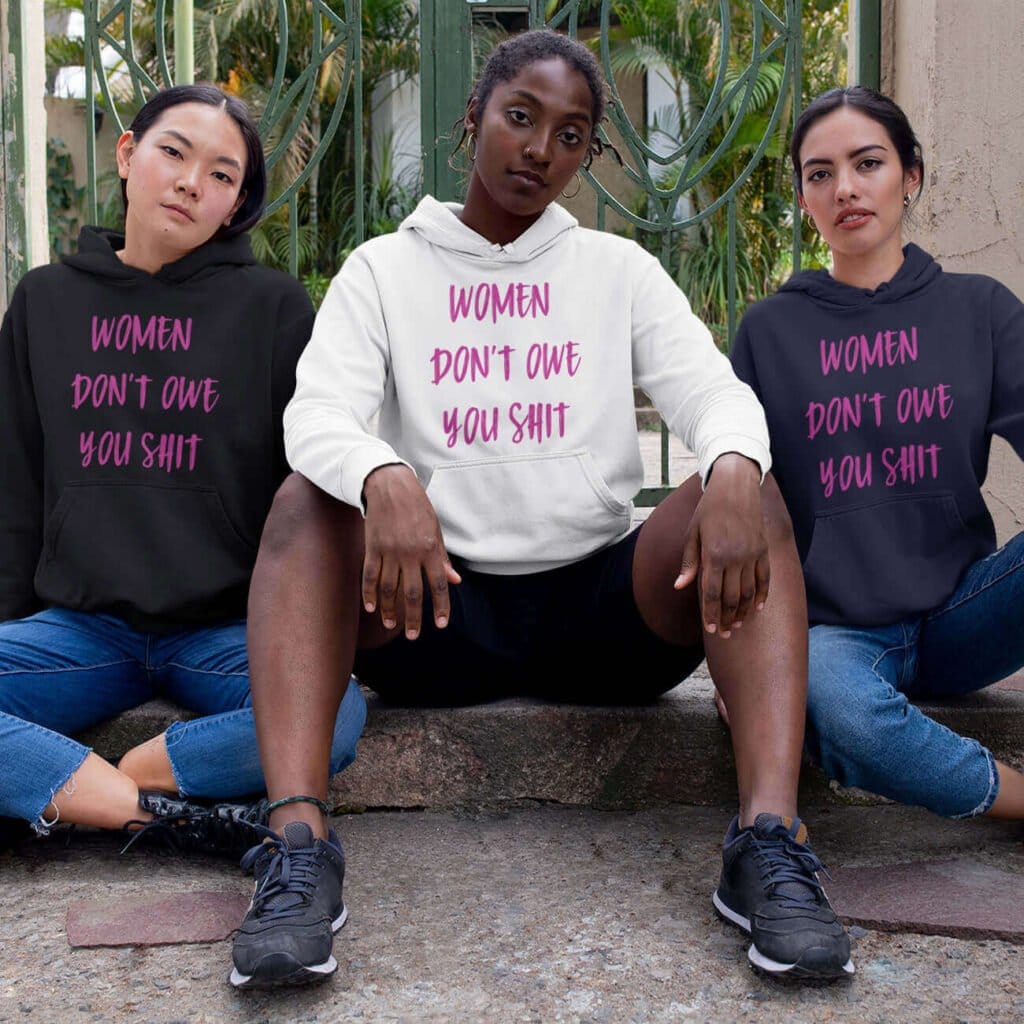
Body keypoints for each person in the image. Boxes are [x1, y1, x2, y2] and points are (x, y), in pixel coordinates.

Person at [230, 30, 853, 990]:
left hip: (605, 615)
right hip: (430, 612)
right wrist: (382, 475)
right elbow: (317, 415)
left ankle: (766, 843)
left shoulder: (618, 272)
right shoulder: (382, 271)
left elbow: (716, 395)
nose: (539, 150)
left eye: (571, 136)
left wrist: (731, 462)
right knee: (305, 503)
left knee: (747, 487)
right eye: (520, 118)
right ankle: (299, 850)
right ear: (470, 120)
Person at [0, 84, 366, 857]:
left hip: (229, 629)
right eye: (173, 152)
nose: (192, 181)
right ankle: (148, 816)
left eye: (223, 175)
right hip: (82, 629)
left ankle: (115, 783)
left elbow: (309, 473)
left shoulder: (272, 308)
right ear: (129, 155)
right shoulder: (44, 302)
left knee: (335, 717)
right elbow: (17, 483)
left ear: (233, 206)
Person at [729, 86, 1024, 823]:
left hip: (966, 611)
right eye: (820, 173)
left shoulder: (981, 310)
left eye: (868, 163)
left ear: (911, 176)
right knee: (845, 716)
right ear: (802, 195)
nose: (846, 189)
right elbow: (737, 504)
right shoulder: (768, 332)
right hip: (837, 634)